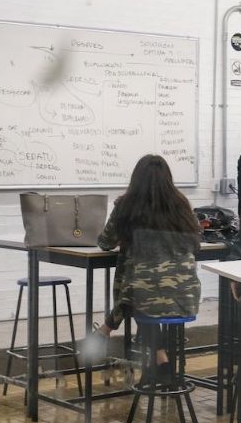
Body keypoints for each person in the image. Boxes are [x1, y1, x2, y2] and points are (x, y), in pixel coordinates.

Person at [83, 155, 201, 370]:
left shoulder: (126, 205)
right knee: (145, 296)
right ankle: (160, 358)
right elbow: (196, 238)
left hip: (142, 294)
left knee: (142, 296)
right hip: (187, 294)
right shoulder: (181, 204)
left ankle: (107, 330)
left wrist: (126, 236)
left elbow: (105, 242)